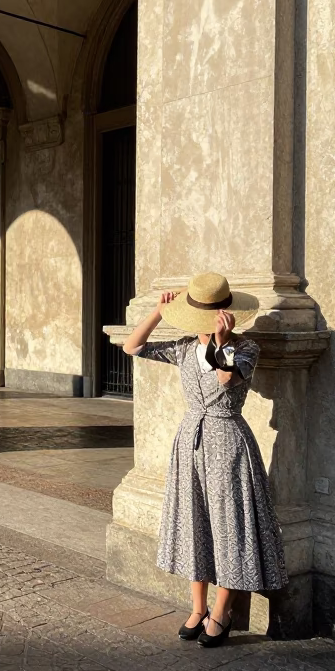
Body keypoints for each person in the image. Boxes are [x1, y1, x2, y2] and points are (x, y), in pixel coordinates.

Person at [122, 272, 286, 647]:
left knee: (230, 525)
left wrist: (223, 342)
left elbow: (227, 380)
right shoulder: (181, 347)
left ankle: (222, 610)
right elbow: (132, 347)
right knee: (194, 519)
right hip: (190, 441)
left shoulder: (245, 348)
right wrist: (158, 313)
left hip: (228, 441)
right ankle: (197, 608)